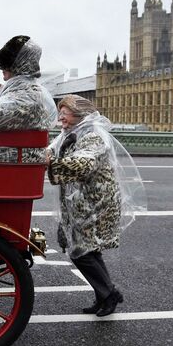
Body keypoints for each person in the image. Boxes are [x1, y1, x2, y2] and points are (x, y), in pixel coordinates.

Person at [46, 95, 146, 317]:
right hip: (80, 202)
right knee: (90, 250)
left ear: (79, 114)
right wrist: (42, 155)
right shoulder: (68, 134)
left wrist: (49, 162)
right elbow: (50, 150)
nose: (61, 116)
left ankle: (109, 294)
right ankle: (104, 296)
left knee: (81, 252)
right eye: (60, 111)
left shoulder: (94, 135)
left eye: (65, 111)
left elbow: (84, 162)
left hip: (96, 203)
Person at [0, 35, 57, 131]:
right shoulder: (31, 91)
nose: (1, 68)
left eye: (6, 64)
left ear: (19, 66)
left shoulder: (25, 97)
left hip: (17, 146)